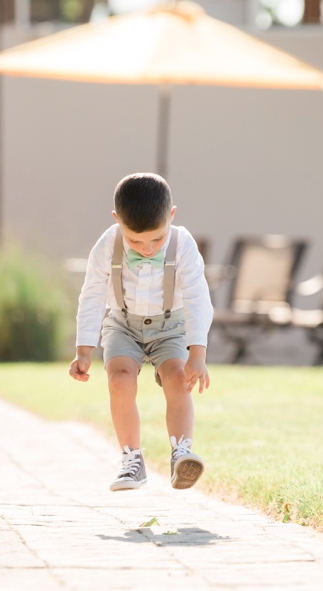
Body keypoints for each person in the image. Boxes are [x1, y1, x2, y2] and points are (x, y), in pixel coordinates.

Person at [69, 173, 213, 492]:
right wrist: (84, 349)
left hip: (171, 324)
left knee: (178, 380)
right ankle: (131, 460)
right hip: (123, 323)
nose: (146, 249)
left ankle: (181, 454)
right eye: (134, 240)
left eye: (156, 239)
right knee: (120, 381)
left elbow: (197, 297)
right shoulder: (107, 245)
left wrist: (197, 353)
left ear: (171, 216)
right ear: (117, 220)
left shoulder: (183, 244)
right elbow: (92, 295)